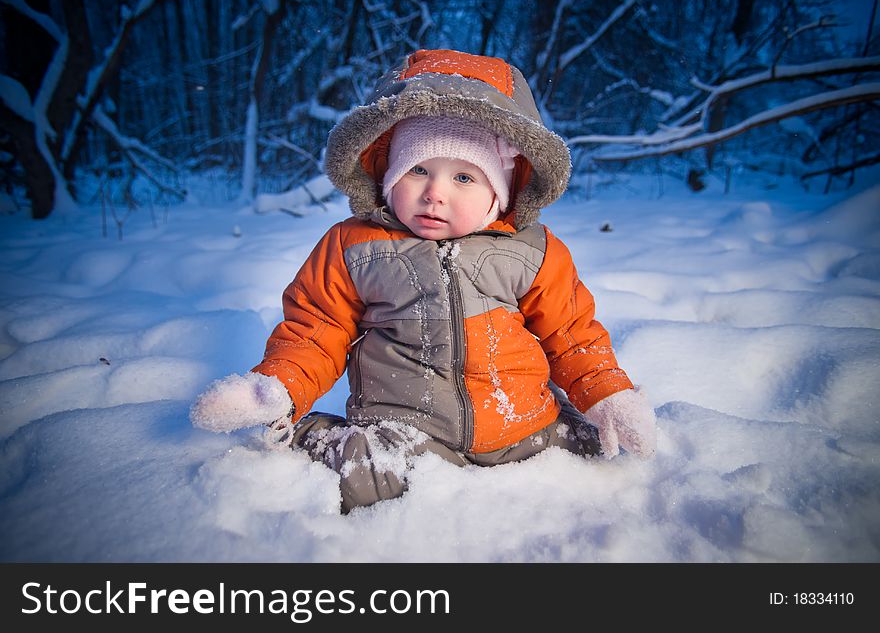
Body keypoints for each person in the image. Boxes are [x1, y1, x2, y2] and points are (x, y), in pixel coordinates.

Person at [191, 49, 657, 514]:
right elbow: (316, 330)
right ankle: (311, 434)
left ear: (501, 189)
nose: (435, 193)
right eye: (418, 170)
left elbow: (572, 336)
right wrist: (276, 388)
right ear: (388, 173)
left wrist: (608, 395)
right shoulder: (354, 247)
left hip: (525, 428)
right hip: (403, 435)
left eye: (463, 177)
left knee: (595, 447)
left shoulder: (534, 252)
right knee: (363, 476)